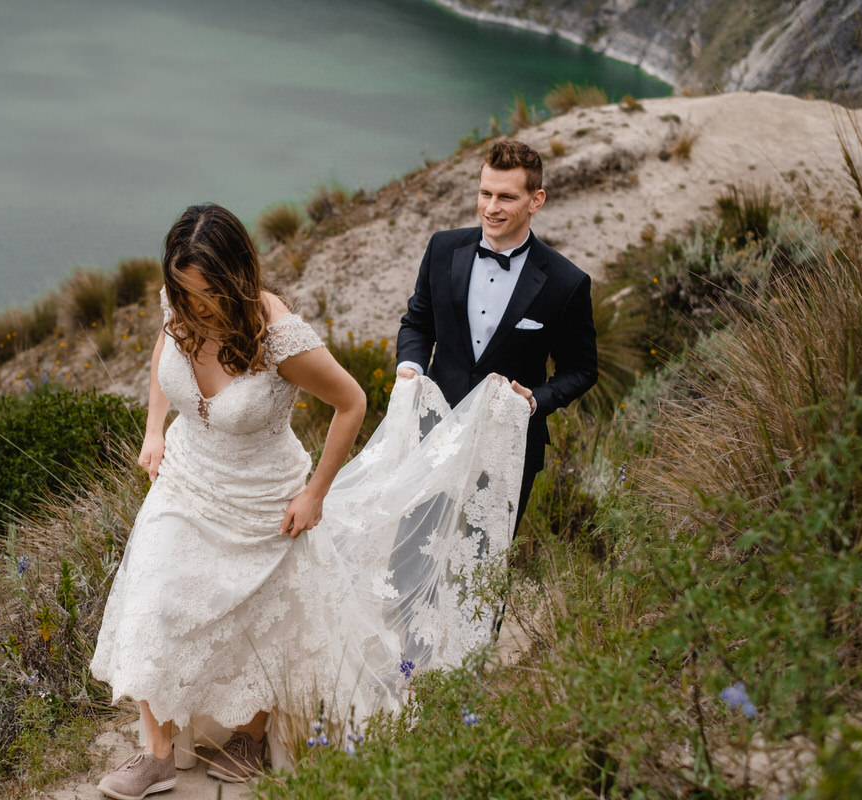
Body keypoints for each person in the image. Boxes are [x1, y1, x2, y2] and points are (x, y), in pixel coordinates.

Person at [92, 203, 531, 800]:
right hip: (185, 478)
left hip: (263, 497)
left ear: (236, 277)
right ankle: (156, 754)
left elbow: (351, 403)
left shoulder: (279, 337)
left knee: (259, 618)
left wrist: (316, 494)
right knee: (155, 597)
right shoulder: (180, 303)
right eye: (185, 292)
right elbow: (162, 354)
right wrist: (152, 427)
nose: (195, 306)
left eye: (207, 293)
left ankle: (249, 735)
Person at [396, 138, 598, 529]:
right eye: (485, 193)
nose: (491, 208)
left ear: (536, 200)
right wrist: (410, 366)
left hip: (508, 446)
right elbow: (418, 322)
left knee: (478, 576)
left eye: (505, 197)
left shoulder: (566, 282)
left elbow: (582, 370)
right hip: (432, 434)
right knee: (407, 561)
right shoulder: (442, 248)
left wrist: (534, 401)